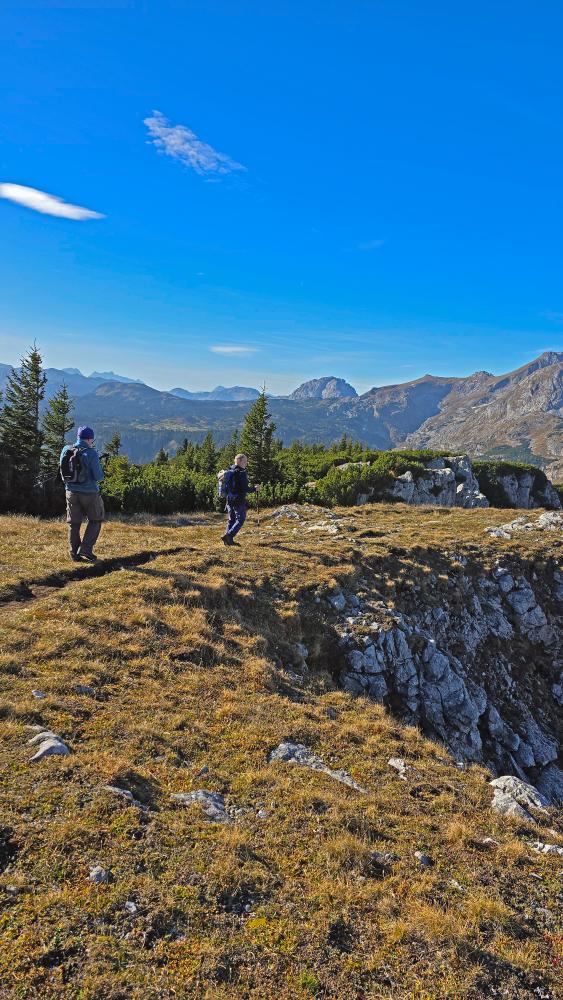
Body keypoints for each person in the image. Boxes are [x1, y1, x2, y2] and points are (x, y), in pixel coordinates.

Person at [60, 426, 105, 562]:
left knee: (73, 523)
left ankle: (74, 553)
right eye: (92, 439)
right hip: (89, 492)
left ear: (78, 437)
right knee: (96, 519)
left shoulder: (66, 449)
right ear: (90, 439)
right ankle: (85, 549)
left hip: (70, 491)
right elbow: (98, 476)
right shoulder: (91, 454)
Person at [221, 453, 260, 546]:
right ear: (238, 461)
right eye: (245, 461)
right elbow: (245, 488)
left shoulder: (230, 470)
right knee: (241, 519)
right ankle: (229, 536)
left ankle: (228, 541)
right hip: (238, 500)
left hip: (229, 499)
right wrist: (255, 488)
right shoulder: (241, 472)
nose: (246, 463)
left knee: (232, 519)